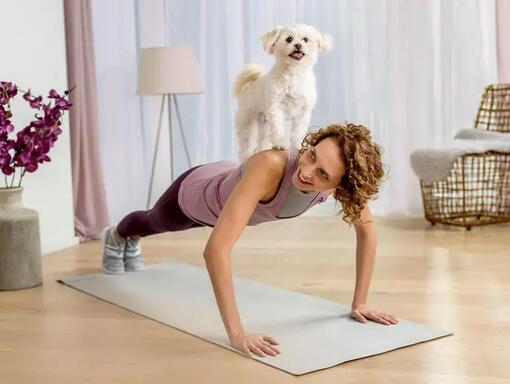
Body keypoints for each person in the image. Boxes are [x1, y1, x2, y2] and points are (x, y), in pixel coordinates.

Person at [101, 122, 399, 359]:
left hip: (229, 196)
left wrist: (360, 302)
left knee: (161, 223)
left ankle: (126, 240)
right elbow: (216, 250)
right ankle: (118, 236)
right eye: (311, 155)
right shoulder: (270, 165)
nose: (306, 171)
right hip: (195, 196)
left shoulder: (341, 188)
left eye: (322, 174)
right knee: (154, 222)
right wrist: (237, 333)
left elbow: (367, 232)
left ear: (341, 186)